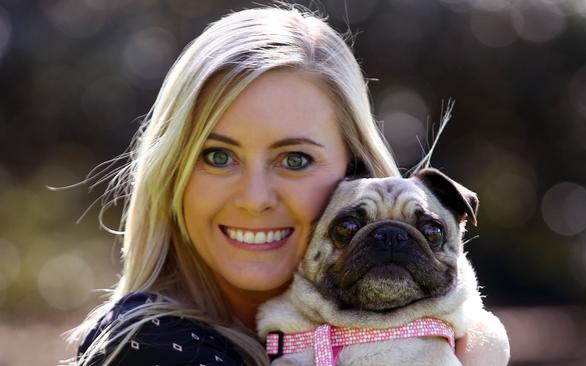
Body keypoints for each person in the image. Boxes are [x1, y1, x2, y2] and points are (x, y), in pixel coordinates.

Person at [68, 5, 509, 366]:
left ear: (354, 170)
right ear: (170, 173)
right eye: (218, 156)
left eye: (295, 159)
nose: (255, 198)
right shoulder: (153, 348)